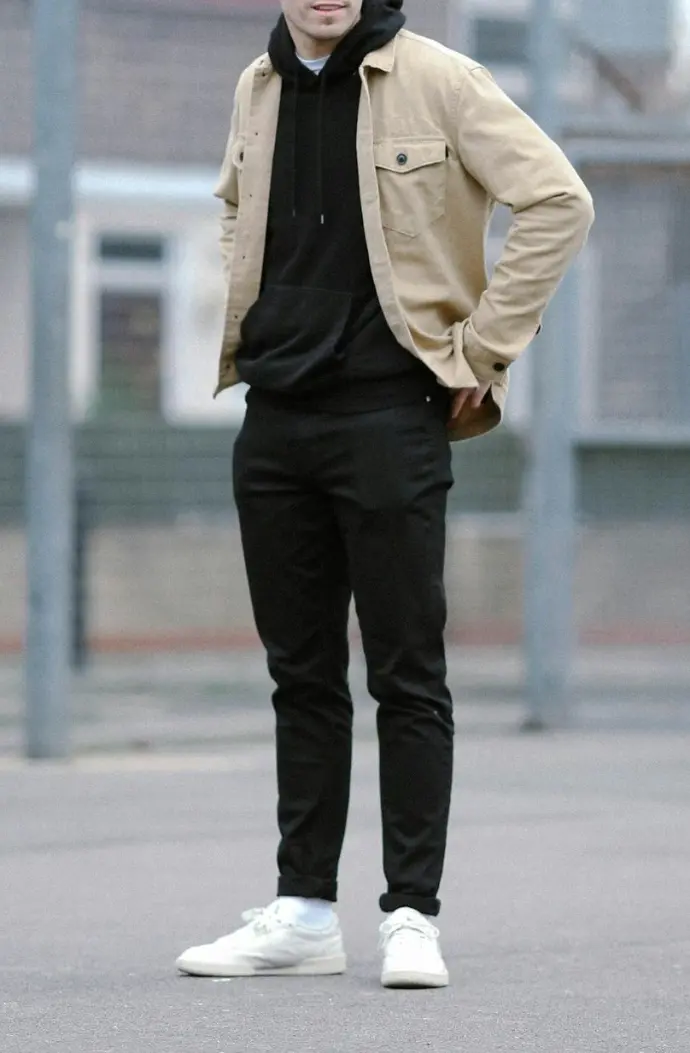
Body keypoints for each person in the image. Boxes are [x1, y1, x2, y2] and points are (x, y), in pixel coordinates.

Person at [176, 0, 594, 988]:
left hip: (391, 412)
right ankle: (304, 911)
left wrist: (482, 352)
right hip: (275, 414)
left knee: (408, 673)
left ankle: (412, 914)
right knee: (302, 676)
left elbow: (558, 202)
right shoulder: (258, 84)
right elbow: (236, 202)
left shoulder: (440, 80)